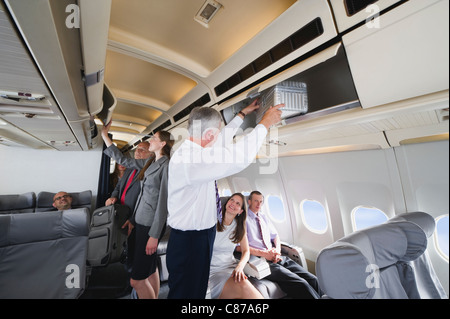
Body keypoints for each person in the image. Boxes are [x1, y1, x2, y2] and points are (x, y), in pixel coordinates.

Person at [166, 99, 283, 299]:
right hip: (191, 243)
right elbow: (236, 157)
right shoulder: (191, 160)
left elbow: (218, 142)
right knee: (187, 295)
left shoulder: (196, 149)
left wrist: (241, 115)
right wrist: (264, 124)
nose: (219, 137)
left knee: (196, 292)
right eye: (217, 132)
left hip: (199, 238)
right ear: (208, 134)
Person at [102, 124, 173, 299]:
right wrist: (105, 136)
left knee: (137, 281)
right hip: (140, 221)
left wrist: (155, 236)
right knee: (150, 270)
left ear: (163, 143)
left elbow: (163, 204)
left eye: (154, 138)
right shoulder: (150, 162)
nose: (151, 141)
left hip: (150, 227)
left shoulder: (166, 167)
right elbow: (123, 160)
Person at [239, 190, 323, 299]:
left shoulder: (263, 217)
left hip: (277, 256)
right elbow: (239, 247)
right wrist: (265, 254)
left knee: (313, 279)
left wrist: (277, 251)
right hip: (261, 261)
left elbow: (275, 236)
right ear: (249, 201)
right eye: (256, 201)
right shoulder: (242, 220)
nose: (259, 204)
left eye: (261, 201)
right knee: (302, 284)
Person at [104, 141, 153, 292]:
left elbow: (147, 200)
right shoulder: (130, 168)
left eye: (143, 150)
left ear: (151, 155)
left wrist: (132, 220)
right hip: (122, 213)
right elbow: (119, 187)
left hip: (135, 218)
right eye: (137, 149)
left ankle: (132, 285)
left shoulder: (149, 171)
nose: (138, 152)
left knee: (133, 254)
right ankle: (130, 279)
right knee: (124, 249)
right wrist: (113, 197)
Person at [209, 193, 264, 299]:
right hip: (213, 272)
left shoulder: (239, 227)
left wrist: (240, 267)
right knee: (244, 287)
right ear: (227, 202)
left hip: (231, 268)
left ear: (240, 211)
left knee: (244, 286)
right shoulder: (212, 222)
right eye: (232, 200)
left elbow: (246, 251)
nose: (233, 204)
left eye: (238, 203)